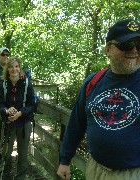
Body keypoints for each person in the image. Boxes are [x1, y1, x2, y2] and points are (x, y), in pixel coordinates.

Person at [57, 18, 140, 180]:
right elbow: (76, 124)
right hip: (96, 169)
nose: (135, 51)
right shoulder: (93, 82)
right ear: (108, 50)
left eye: (139, 45)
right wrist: (64, 160)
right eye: (126, 45)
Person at [0, 56, 35, 179]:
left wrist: (20, 113)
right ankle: (5, 176)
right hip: (8, 123)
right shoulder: (2, 84)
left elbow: (32, 104)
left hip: (24, 123)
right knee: (6, 154)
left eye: (16, 66)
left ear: (20, 68)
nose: (14, 69)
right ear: (7, 69)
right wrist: (6, 111)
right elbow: (0, 104)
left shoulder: (27, 84)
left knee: (23, 155)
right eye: (11, 66)